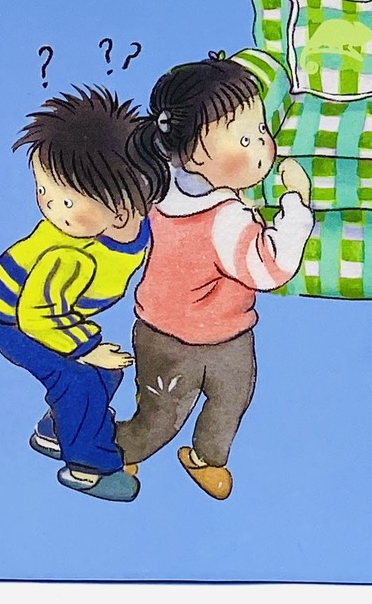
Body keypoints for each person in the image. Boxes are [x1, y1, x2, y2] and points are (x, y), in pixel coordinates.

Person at [114, 56, 311, 500]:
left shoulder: (164, 184)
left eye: (261, 131)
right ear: (195, 154)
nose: (264, 145)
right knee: (168, 417)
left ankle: (204, 458)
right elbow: (271, 267)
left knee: (224, 398)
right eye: (245, 138)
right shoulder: (226, 218)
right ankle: (115, 450)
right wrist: (296, 204)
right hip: (182, 340)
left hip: (201, 333)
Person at [0, 87, 166, 502]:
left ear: (124, 207)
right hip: (13, 318)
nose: (49, 208)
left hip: (52, 311)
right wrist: (87, 349)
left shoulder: (138, 222)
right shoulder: (70, 254)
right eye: (43, 192)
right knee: (81, 380)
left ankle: (58, 429)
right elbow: (37, 317)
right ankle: (88, 467)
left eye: (65, 200)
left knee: (106, 374)